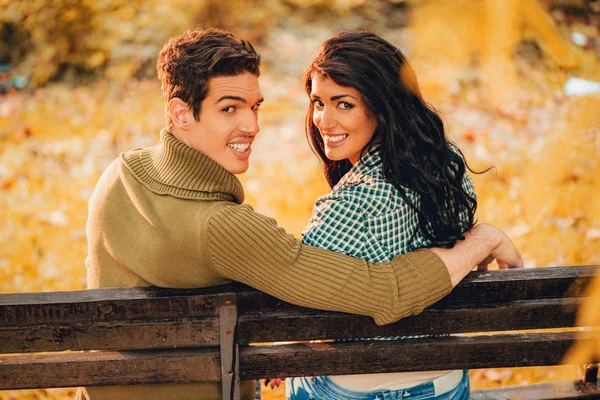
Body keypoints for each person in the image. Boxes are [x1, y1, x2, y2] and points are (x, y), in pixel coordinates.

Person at [78, 28, 523, 400]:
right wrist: (484, 238)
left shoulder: (120, 173)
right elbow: (388, 293)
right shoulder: (222, 228)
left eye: (254, 107)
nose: (252, 126)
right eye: (229, 107)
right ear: (180, 113)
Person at [286, 31, 495, 400]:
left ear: (382, 108)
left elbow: (303, 320)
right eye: (318, 102)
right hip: (443, 382)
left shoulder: (347, 206)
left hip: (352, 389)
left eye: (344, 104)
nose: (324, 120)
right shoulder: (445, 166)